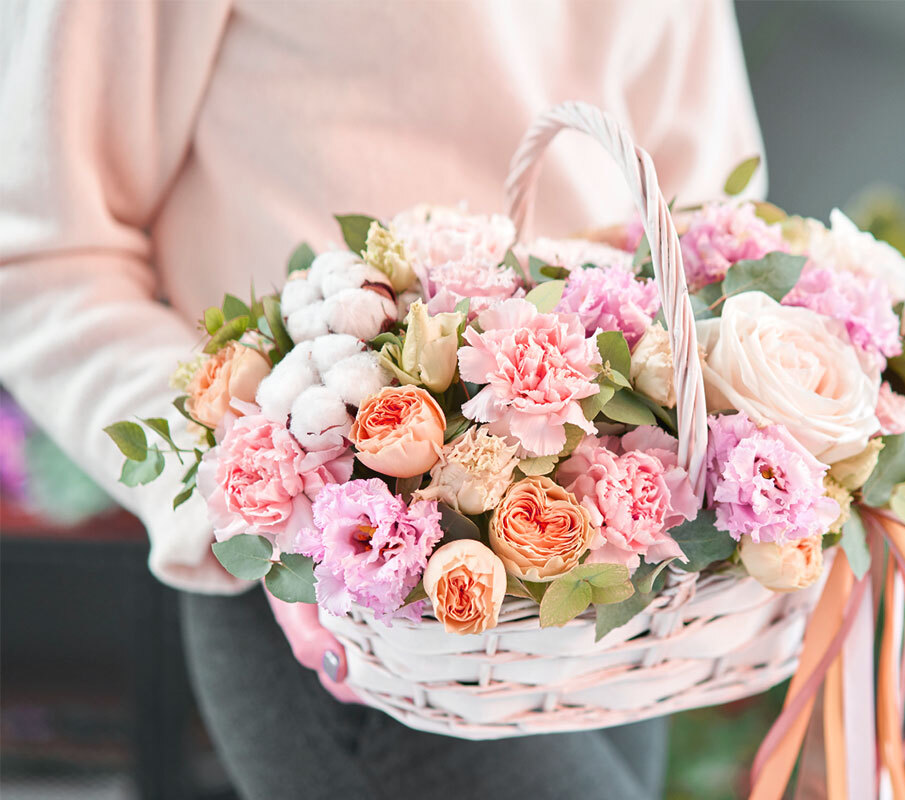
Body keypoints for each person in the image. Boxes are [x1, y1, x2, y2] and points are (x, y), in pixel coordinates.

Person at [0, 2, 765, 797]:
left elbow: (700, 208)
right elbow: (42, 254)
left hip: (605, 568)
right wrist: (243, 492)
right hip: (351, 593)